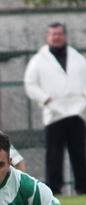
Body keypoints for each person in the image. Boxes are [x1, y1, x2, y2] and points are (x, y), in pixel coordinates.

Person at [24, 22, 86, 195]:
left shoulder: (78, 58)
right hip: (54, 114)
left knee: (79, 154)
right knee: (54, 155)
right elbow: (30, 84)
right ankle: (54, 191)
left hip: (77, 112)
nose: (56, 37)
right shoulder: (38, 60)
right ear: (47, 37)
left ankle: (83, 189)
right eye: (53, 34)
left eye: (59, 34)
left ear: (65, 36)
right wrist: (45, 99)